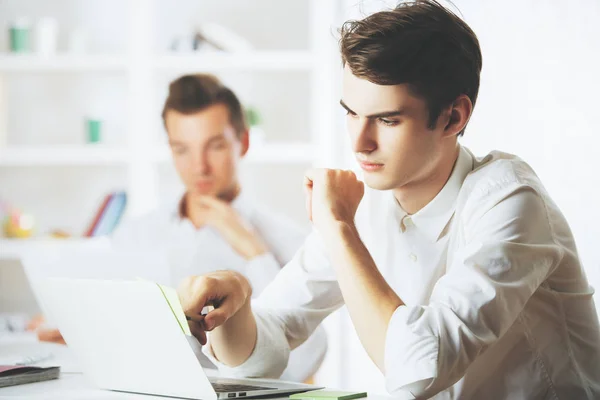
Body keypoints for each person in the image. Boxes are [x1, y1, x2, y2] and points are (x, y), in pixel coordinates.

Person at [177, 1, 600, 399]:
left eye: (387, 119)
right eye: (350, 113)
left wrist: (340, 229)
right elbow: (265, 348)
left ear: (454, 117)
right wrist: (237, 300)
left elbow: (418, 369)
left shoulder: (510, 200)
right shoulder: (370, 204)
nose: (360, 143)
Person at [29, 73, 327, 383]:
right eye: (182, 149)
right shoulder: (135, 235)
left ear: (244, 142)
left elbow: (306, 361)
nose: (199, 166)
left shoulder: (288, 240)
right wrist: (80, 327)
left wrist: (254, 251)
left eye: (214, 146)